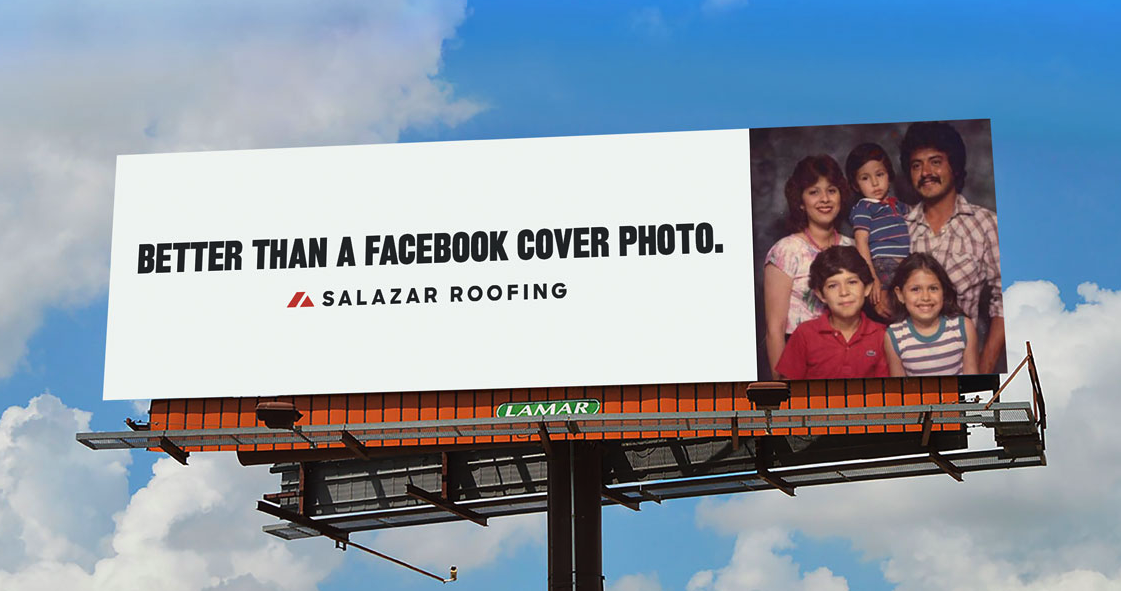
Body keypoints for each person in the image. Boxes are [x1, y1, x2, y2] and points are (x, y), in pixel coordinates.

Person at [899, 122, 1004, 373]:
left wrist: (982, 369)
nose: (926, 172)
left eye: (935, 162)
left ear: (954, 167)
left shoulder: (987, 224)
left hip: (963, 368)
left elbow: (1005, 302)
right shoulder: (899, 230)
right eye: (916, 165)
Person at [763, 155, 854, 378]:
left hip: (847, 360)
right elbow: (774, 330)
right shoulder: (786, 250)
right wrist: (779, 390)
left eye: (831, 190)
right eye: (814, 192)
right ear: (801, 202)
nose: (825, 199)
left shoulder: (852, 247)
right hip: (800, 363)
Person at [775, 245, 889, 380]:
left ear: (867, 288)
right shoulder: (805, 334)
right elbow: (787, 387)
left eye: (852, 282)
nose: (844, 292)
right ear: (821, 294)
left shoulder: (882, 335)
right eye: (833, 285)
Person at [884, 253, 979, 377]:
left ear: (943, 292)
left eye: (933, 288)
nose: (925, 297)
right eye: (915, 289)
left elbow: (973, 380)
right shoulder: (894, 336)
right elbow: (900, 389)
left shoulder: (963, 327)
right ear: (900, 294)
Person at [845, 143, 910, 319]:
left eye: (880, 174)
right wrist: (872, 277)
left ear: (889, 175)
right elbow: (861, 242)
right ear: (856, 185)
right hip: (883, 266)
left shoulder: (899, 206)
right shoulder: (863, 207)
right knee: (893, 312)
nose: (875, 183)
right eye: (865, 178)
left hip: (907, 264)